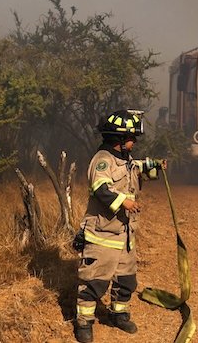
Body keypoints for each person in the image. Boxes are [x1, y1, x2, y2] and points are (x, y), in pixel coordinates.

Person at [74, 109, 166, 343]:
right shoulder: (103, 161)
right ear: (118, 139)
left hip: (125, 235)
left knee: (126, 281)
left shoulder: (125, 160)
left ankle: (119, 314)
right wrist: (124, 201)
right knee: (94, 282)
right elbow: (101, 188)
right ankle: (84, 322)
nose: (134, 141)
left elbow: (136, 168)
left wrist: (156, 165)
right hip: (102, 235)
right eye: (131, 137)